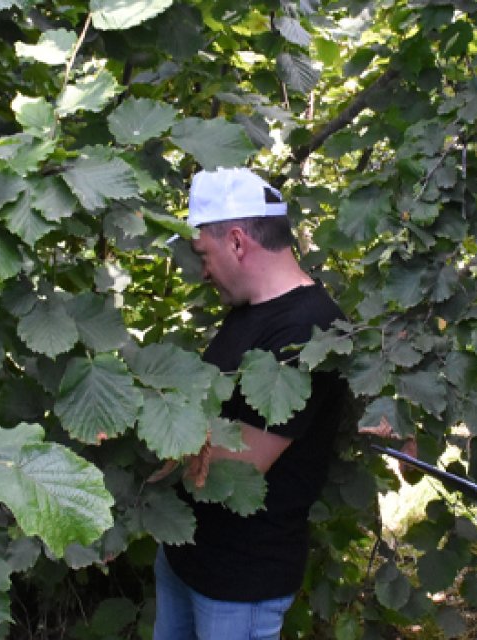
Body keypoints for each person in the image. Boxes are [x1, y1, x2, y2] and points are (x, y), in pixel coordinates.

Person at [154, 168, 349, 640]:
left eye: (204, 253)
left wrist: (150, 426)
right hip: (186, 558)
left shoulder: (310, 330)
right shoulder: (248, 312)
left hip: (239, 583)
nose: (203, 270)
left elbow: (236, 467)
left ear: (237, 241)